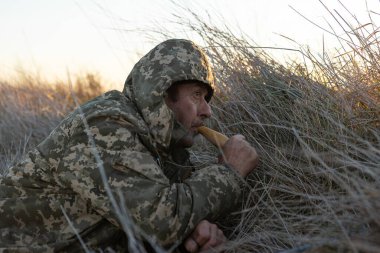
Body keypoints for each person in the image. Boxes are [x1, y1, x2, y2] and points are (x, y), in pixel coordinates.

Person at [0, 39, 258, 252]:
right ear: (164, 93)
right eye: (197, 96)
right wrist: (230, 173)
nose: (207, 111)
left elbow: (165, 220)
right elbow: (161, 221)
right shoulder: (106, 125)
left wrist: (197, 233)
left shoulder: (163, 148)